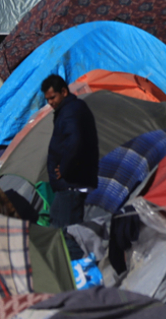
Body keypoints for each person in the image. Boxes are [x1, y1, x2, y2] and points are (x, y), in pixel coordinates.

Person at [42, 74, 99, 230]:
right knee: (61, 229)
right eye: (47, 99)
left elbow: (75, 142)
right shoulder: (69, 110)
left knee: (67, 234)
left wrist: (65, 169)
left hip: (71, 184)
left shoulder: (70, 111)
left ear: (64, 92)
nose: (50, 102)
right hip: (69, 184)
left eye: (52, 97)